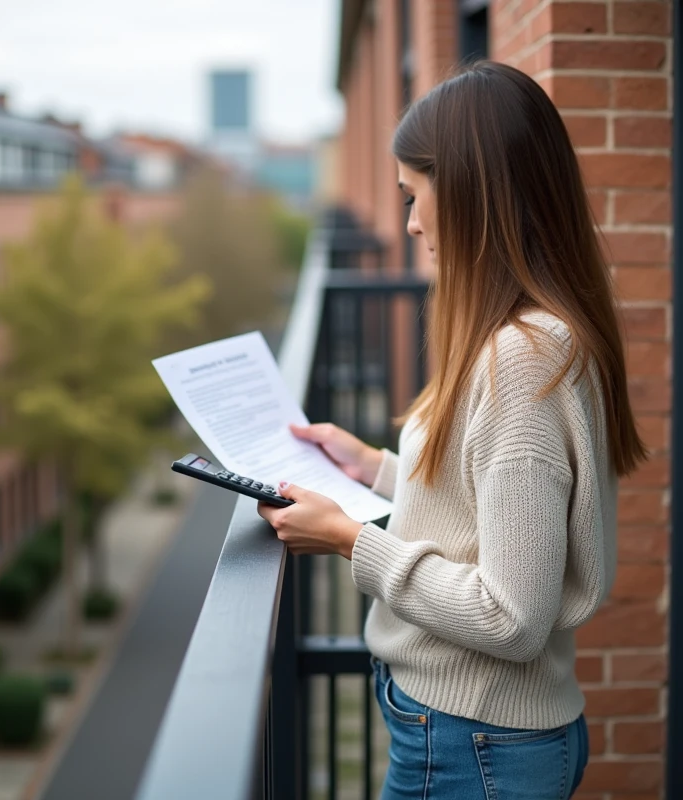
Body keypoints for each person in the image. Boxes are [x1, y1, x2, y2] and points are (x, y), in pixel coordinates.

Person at [256, 61, 645, 799]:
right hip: (476, 738)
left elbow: (511, 615)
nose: (408, 222)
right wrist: (374, 466)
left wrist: (349, 540)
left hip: (477, 745)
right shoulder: (532, 338)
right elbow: (493, 505)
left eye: (415, 194)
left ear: (470, 194)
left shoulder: (520, 360)